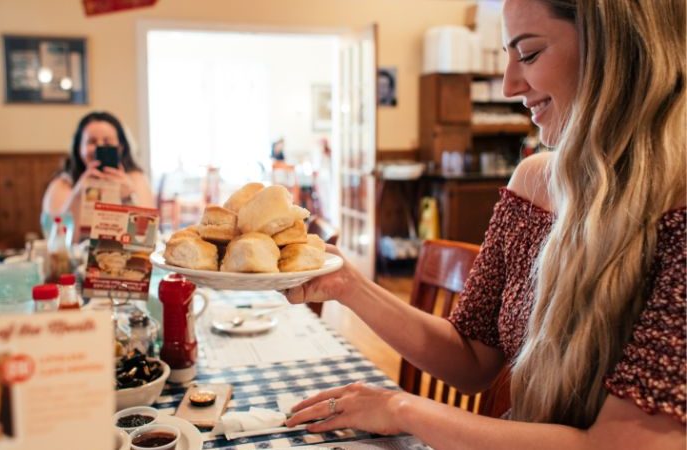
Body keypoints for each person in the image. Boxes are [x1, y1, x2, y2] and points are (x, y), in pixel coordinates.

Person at [284, 0, 686, 448]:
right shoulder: (533, 183)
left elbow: (620, 445)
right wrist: (347, 285)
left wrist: (403, 408)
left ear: (620, 48)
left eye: (529, 54)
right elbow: (472, 357)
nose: (511, 85)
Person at [42, 111, 155, 240]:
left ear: (121, 147)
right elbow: (58, 240)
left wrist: (129, 198)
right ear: (79, 148)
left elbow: (148, 237)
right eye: (92, 142)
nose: (99, 147)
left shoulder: (136, 179)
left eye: (107, 143)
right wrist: (78, 194)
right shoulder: (63, 184)